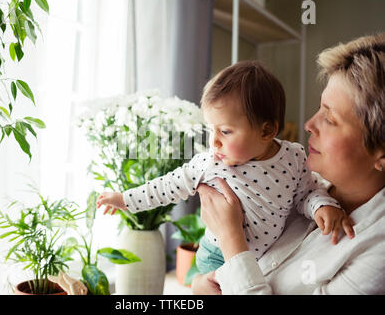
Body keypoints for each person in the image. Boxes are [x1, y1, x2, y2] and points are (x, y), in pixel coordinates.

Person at [96, 60, 346, 275]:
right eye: (210, 129)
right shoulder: (211, 162)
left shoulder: (292, 157)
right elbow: (167, 186)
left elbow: (306, 193)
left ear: (267, 130)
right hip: (216, 256)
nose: (213, 141)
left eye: (225, 131)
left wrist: (322, 206)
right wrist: (124, 199)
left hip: (267, 260)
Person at [191, 33, 385, 294]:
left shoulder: (377, 253)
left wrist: (230, 237)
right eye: (320, 109)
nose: (309, 125)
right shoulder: (297, 181)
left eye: (330, 119)